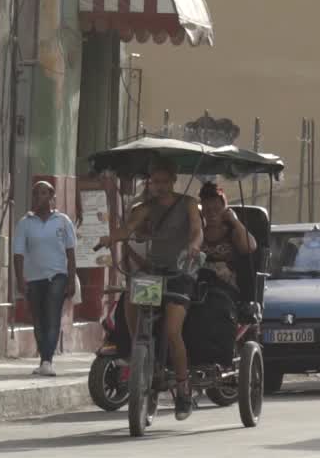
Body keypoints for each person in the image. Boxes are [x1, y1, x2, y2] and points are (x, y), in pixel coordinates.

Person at [97, 160, 203, 420]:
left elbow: (197, 231)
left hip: (180, 273)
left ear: (173, 181)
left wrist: (194, 246)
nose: (160, 187)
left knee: (171, 331)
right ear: (150, 184)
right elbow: (128, 229)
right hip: (154, 272)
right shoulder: (145, 208)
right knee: (131, 295)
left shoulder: (188, 203)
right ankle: (138, 348)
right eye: (155, 182)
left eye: (164, 182)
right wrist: (110, 238)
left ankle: (183, 388)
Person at [13, 181, 77, 377]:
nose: (38, 198)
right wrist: (19, 279)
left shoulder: (63, 221)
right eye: (35, 194)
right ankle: (44, 358)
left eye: (42, 193)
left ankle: (47, 359)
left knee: (52, 315)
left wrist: (72, 279)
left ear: (51, 196)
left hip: (57, 276)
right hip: (34, 278)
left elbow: (71, 252)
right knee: (39, 319)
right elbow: (18, 254)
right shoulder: (25, 223)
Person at [198, 181, 257, 293]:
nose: (212, 214)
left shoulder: (232, 232)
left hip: (225, 288)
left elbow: (250, 247)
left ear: (224, 208)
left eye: (216, 209)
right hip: (200, 286)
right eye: (207, 210)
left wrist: (235, 221)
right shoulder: (198, 232)